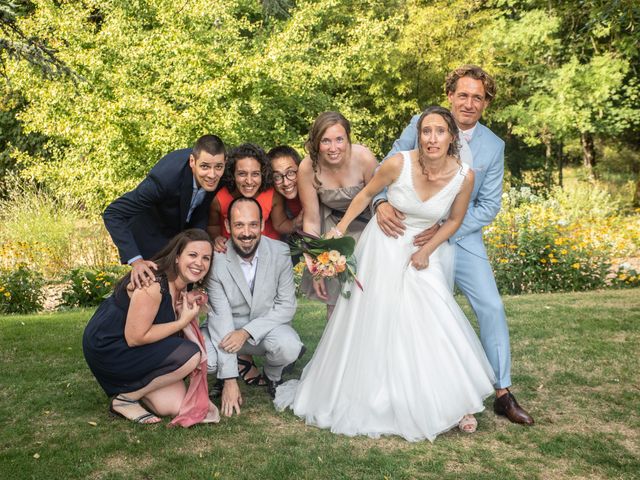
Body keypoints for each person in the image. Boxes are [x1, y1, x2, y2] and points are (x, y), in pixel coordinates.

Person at [275, 106, 495, 442]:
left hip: (425, 250)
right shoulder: (398, 163)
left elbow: (453, 220)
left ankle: (455, 399)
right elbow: (366, 194)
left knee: (434, 315)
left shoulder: (466, 176)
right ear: (418, 135)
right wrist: (340, 231)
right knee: (377, 318)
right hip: (384, 245)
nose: (432, 138)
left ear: (452, 137)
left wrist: (426, 250)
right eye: (426, 131)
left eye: (439, 131)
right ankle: (375, 391)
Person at [373, 65, 534, 426]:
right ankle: (424, 391)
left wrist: (445, 227)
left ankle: (503, 393)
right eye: (463, 94)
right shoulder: (422, 123)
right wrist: (379, 202)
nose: (469, 103)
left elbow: (489, 205)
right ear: (450, 96)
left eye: (478, 97)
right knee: (423, 311)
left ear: (486, 103)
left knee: (491, 306)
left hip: (462, 238)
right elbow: (388, 165)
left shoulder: (494, 146)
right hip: (412, 235)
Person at [83, 229, 220, 426]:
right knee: (192, 354)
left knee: (172, 406)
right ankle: (127, 398)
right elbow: (135, 337)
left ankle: (136, 385)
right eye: (193, 255)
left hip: (135, 349)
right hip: (110, 348)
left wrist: (184, 308)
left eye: (206, 258)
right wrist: (181, 322)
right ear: (177, 257)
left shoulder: (182, 287)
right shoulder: (153, 283)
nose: (199, 263)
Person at [201, 197, 304, 417]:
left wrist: (247, 331)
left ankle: (272, 375)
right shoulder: (215, 261)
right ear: (227, 226)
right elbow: (220, 317)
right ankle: (225, 372)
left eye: (252, 224)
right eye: (239, 225)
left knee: (290, 346)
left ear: (262, 224)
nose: (246, 232)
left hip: (265, 329)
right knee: (205, 359)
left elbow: (286, 306)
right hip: (226, 328)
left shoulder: (281, 252)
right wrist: (229, 379)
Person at [103, 135, 226, 289]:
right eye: (205, 167)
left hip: (188, 236)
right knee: (155, 292)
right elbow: (113, 213)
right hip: (153, 234)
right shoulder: (164, 180)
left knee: (183, 296)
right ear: (192, 162)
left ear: (225, 163)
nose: (212, 175)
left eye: (218, 167)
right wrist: (137, 261)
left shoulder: (224, 172)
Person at [297, 112, 378, 319]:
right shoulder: (308, 167)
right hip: (332, 232)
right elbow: (312, 219)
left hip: (368, 227)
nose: (333, 148)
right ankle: (337, 349)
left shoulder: (364, 158)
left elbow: (379, 202)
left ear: (348, 138)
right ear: (316, 142)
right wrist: (316, 263)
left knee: (370, 298)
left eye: (339, 139)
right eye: (326, 141)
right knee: (336, 304)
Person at [207, 143, 301, 251]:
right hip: (232, 251)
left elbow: (280, 224)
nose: (249, 181)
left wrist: (299, 221)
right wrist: (216, 238)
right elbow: (213, 226)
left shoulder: (272, 195)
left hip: (267, 250)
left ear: (263, 174)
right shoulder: (219, 200)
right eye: (242, 174)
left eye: (255, 174)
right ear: (232, 174)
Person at [267, 145, 303, 240]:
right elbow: (279, 225)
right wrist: (297, 222)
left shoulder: (314, 185)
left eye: (291, 173)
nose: (286, 183)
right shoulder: (275, 195)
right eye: (277, 177)